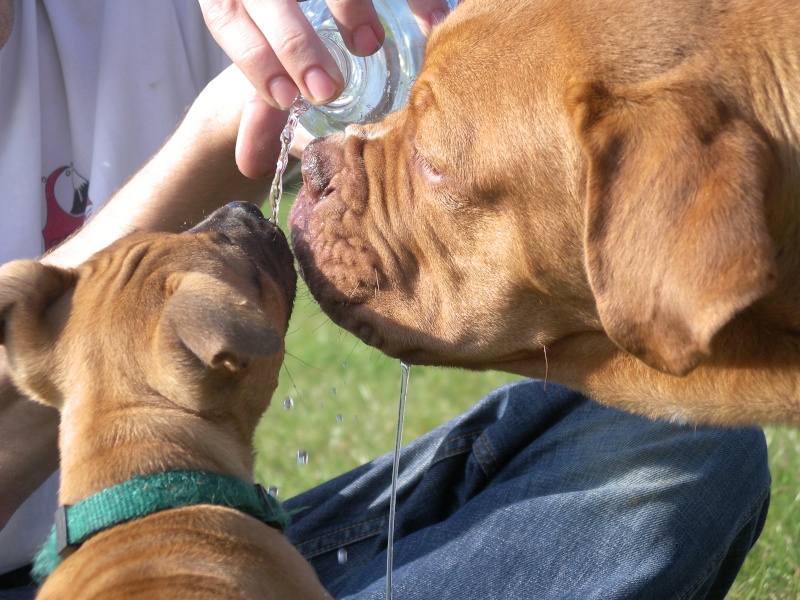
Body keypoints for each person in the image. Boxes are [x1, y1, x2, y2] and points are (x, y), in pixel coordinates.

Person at [0, 1, 770, 598]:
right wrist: (209, 154)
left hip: (229, 542)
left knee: (682, 433)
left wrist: (388, 36)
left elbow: (515, 49)